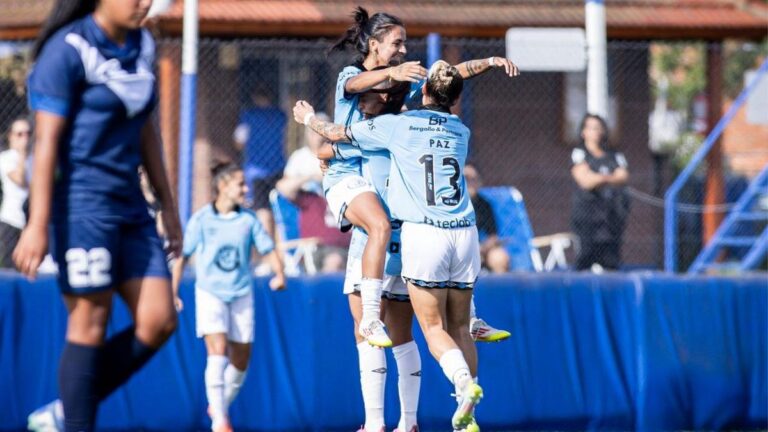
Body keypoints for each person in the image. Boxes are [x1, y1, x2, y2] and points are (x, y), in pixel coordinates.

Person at [294, 60, 488, 432]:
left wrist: (308, 122)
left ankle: (384, 418)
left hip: (411, 239)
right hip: (464, 233)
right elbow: (446, 83)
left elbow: (333, 138)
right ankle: (438, 417)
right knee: (448, 327)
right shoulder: (460, 130)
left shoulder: (393, 128)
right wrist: (489, 63)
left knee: (421, 329)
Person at [19, 1, 182, 431]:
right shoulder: (67, 49)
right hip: (81, 208)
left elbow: (147, 128)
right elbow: (45, 145)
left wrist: (168, 205)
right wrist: (37, 224)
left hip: (131, 206)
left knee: (159, 320)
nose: (144, 2)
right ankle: (75, 421)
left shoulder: (143, 43)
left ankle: (62, 413)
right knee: (89, 322)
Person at [172, 162, 286, 432]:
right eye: (240, 184)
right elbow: (182, 257)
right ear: (223, 187)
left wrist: (279, 274)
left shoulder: (248, 220)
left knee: (241, 358)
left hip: (241, 293)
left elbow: (268, 248)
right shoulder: (201, 219)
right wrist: (173, 291)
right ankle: (220, 421)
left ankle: (218, 403)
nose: (246, 189)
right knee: (217, 351)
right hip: (210, 292)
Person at [277, 112, 349, 272]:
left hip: (338, 227)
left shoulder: (341, 155)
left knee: (335, 260)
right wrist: (311, 177)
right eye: (314, 132)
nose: (318, 136)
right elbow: (283, 188)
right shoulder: (300, 158)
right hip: (313, 229)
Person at [570, 114, 630, 271]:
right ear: (583, 132)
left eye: (598, 128)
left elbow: (623, 176)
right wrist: (610, 177)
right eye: (590, 128)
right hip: (587, 218)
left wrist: (599, 177)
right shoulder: (579, 153)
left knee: (611, 261)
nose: (595, 132)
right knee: (585, 259)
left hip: (611, 217)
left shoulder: (614, 155)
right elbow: (585, 180)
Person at [233, 85, 287, 238]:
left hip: (256, 171)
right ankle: (279, 249)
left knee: (262, 209)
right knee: (279, 209)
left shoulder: (248, 116)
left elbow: (239, 141)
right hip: (278, 167)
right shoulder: (280, 115)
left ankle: (268, 251)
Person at [464, 164, 510, 274]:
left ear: (479, 182)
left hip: (481, 250)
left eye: (473, 179)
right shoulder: (450, 205)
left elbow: (493, 236)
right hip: (456, 249)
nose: (470, 183)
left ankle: (500, 290)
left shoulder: (485, 205)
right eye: (466, 178)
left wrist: (482, 248)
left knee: (499, 257)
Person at [0, 117, 31, 268]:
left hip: (31, 224)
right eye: (20, 134)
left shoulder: (37, 158)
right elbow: (20, 179)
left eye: (28, 134)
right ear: (11, 136)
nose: (24, 138)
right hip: (11, 221)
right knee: (9, 268)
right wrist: (23, 155)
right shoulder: (5, 158)